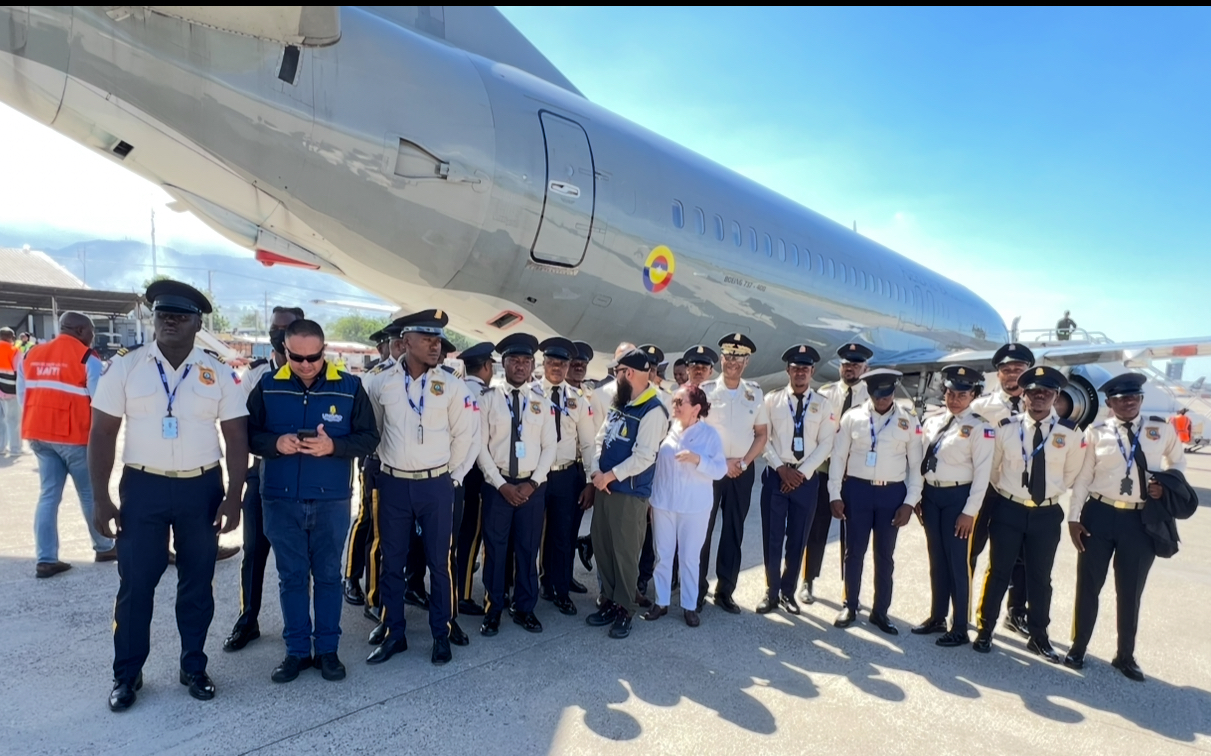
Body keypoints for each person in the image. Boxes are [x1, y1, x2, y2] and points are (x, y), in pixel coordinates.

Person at [89, 280, 248, 712]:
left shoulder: (217, 371)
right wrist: (100, 498)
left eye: (180, 315)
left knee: (197, 584)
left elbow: (235, 436)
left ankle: (193, 667)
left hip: (202, 489)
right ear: (153, 319)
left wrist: (234, 496)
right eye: (163, 314)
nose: (170, 321)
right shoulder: (125, 366)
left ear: (198, 323)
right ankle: (126, 675)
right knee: (136, 586)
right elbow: (102, 432)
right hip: (144, 489)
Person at [246, 319, 379, 683]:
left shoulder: (350, 387)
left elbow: (369, 438)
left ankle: (328, 652)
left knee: (327, 578)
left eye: (313, 357)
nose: (305, 365)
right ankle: (296, 652)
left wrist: (334, 446)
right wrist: (275, 444)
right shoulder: (268, 386)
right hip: (280, 500)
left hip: (330, 501)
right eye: (297, 357)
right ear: (284, 352)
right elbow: (248, 434)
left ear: (325, 351)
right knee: (291, 578)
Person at [364, 309, 479, 666]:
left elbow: (467, 436)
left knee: (439, 563)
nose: (436, 346)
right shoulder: (381, 382)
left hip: (436, 487)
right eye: (427, 339)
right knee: (392, 561)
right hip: (395, 484)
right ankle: (394, 632)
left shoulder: (453, 384)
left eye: (438, 340)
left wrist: (453, 476)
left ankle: (440, 632)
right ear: (405, 341)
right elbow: (375, 430)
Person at [1066, 373, 1187, 681]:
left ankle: (1125, 655)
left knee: (1130, 591)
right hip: (1100, 515)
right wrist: (1074, 518)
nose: (1128, 403)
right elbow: (1082, 478)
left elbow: (1178, 463)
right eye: (1121, 399)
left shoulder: (1160, 429)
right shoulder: (1096, 433)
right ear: (1110, 404)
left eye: (1134, 397)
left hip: (1140, 520)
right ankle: (1078, 647)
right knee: (1088, 585)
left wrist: (1165, 485)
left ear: (1141, 400)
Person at [973, 366, 1082, 661]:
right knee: (998, 572)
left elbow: (1071, 475)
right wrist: (1012, 492)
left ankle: (1038, 636)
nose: (1039, 398)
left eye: (1046, 393)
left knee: (1040, 578)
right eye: (1034, 392)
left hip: (1046, 515)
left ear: (1056, 396)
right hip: (1008, 510)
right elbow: (994, 471)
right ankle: (985, 630)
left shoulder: (1069, 434)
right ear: (1024, 395)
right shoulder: (1006, 428)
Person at [223, 305, 304, 653]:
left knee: (300, 557)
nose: (278, 333)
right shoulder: (256, 375)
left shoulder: (314, 372)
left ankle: (299, 626)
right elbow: (241, 430)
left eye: (286, 328)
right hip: (262, 474)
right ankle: (248, 620)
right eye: (275, 328)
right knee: (255, 550)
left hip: (302, 478)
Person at [18, 312, 115, 577]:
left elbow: (21, 396)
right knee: (89, 493)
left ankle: (46, 558)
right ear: (81, 330)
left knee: (48, 495)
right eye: (92, 332)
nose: (92, 338)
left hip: (38, 433)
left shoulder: (30, 355)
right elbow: (100, 403)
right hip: (74, 437)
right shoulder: (87, 358)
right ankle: (104, 545)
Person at [829, 368, 922, 635]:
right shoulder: (853, 417)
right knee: (853, 552)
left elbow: (915, 466)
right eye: (876, 395)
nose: (882, 400)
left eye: (887, 394)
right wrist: (834, 494)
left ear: (893, 391)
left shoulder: (908, 421)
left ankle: (880, 612)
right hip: (857, 491)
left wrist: (910, 501)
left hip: (891, 494)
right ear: (869, 392)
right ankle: (850, 604)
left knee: (885, 556)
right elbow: (838, 458)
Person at [476, 333, 557, 637]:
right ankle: (493, 608)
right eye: (514, 360)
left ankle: (525, 608)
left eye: (526, 361)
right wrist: (500, 485)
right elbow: (480, 446)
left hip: (532, 488)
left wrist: (533, 483)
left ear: (533, 365)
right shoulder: (489, 400)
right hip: (498, 487)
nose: (520, 366)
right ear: (504, 363)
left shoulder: (542, 403)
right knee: (495, 551)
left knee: (527, 549)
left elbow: (549, 447)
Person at [585, 347, 669, 639]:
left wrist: (610, 475)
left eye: (618, 372)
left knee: (624, 554)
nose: (615, 376)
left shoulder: (653, 409)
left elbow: (645, 456)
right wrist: (596, 471)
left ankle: (625, 609)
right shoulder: (620, 404)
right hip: (605, 489)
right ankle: (608, 599)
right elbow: (600, 439)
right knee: (604, 547)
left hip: (628, 495)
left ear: (629, 373)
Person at [912, 366, 994, 648]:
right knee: (936, 558)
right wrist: (919, 497)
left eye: (962, 394)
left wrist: (970, 512)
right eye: (950, 392)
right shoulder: (934, 421)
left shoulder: (981, 428)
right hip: (932, 498)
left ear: (973, 395)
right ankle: (937, 616)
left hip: (959, 499)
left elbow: (983, 474)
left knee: (958, 562)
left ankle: (960, 626)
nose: (954, 399)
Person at [758, 345, 834, 615]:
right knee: (772, 536)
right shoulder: (772, 400)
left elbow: (826, 444)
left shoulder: (823, 405)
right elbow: (763, 439)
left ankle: (788, 592)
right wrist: (781, 469)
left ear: (812, 371)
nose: (800, 372)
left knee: (798, 537)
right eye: (795, 367)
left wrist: (801, 473)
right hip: (776, 477)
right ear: (787, 370)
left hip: (805, 479)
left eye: (805, 368)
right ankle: (771, 592)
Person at [698, 333, 769, 614]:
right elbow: (696, 432)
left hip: (742, 471)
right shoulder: (704, 391)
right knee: (702, 531)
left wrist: (744, 462)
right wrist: (721, 462)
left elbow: (762, 434)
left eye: (738, 357)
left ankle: (725, 590)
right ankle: (698, 589)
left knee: (733, 530)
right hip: (711, 470)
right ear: (721, 358)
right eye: (728, 356)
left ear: (747, 361)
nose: (732, 362)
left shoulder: (755, 392)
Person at [645, 383, 726, 627]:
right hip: (664, 504)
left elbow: (721, 469)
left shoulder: (709, 435)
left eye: (681, 402)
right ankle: (660, 601)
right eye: (674, 402)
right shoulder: (668, 429)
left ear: (696, 408)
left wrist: (697, 459)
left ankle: (690, 606)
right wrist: (651, 501)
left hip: (694, 507)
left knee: (690, 558)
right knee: (663, 554)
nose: (675, 406)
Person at [969, 342, 1035, 636]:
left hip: (1018, 492)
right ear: (998, 374)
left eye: (1018, 370)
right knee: (969, 551)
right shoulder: (981, 407)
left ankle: (1015, 612)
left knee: (1020, 557)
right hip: (984, 490)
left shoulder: (1038, 407)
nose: (1012, 376)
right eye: (1006, 370)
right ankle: (961, 608)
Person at [801, 343, 872, 605]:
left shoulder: (871, 397)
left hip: (853, 475)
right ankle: (808, 581)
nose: (850, 367)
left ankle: (849, 591)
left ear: (865, 368)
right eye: (845, 363)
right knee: (815, 529)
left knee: (853, 536)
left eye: (856, 364)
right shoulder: (825, 394)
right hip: (824, 471)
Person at [536, 337, 596, 615]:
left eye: (562, 363)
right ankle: (526, 589)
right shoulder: (532, 394)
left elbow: (587, 443)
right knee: (530, 535)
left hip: (565, 475)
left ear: (568, 365)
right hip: (536, 475)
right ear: (544, 364)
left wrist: (590, 480)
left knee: (562, 537)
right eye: (552, 362)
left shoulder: (578, 401)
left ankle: (559, 589)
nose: (557, 368)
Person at [454, 341, 497, 616]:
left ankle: (457, 589)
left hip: (459, 473)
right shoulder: (483, 395)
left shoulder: (456, 389)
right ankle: (463, 594)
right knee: (471, 535)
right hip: (476, 474)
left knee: (460, 534)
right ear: (486, 366)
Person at [0, 327, 22, 456]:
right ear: (11, 337)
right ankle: (15, 449)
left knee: (0, 420)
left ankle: (1, 447)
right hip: (10, 390)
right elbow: (20, 372)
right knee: (13, 420)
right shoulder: (14, 351)